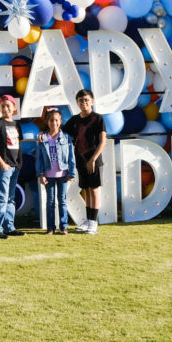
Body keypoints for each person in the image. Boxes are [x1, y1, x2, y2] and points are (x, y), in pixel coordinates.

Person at [63, 88, 107, 235]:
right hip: (80, 160)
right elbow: (61, 132)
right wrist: (45, 134)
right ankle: (88, 220)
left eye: (87, 100)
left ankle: (94, 223)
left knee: (94, 189)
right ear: (77, 103)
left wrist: (93, 159)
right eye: (81, 101)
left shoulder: (98, 118)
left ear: (92, 101)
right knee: (86, 189)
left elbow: (102, 142)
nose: (84, 103)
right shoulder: (74, 120)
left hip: (93, 160)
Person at [0, 95, 25, 239]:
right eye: (2, 106)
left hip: (15, 166)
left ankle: (10, 227)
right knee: (2, 198)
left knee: (11, 198)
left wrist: (19, 162)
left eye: (8, 105)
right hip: (3, 167)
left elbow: (18, 145)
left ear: (14, 108)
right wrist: (2, 164)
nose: (5, 108)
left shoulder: (16, 125)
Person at [35, 107, 76, 235]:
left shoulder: (66, 138)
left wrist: (71, 173)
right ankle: (51, 227)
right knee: (50, 201)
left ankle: (63, 227)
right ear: (47, 122)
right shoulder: (43, 138)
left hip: (63, 174)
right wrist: (41, 174)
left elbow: (71, 156)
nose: (54, 123)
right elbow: (39, 158)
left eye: (57, 120)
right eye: (51, 120)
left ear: (61, 121)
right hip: (48, 175)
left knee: (62, 200)